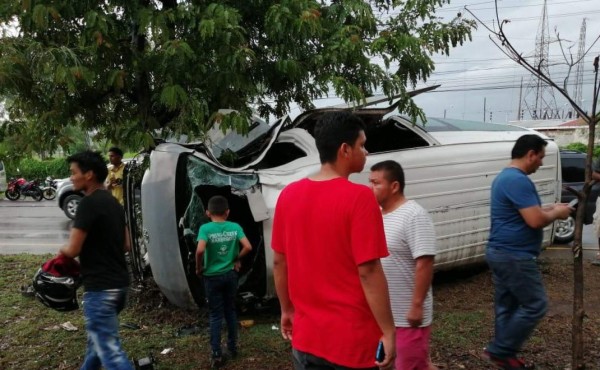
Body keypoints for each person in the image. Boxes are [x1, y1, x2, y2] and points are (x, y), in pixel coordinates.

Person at [271, 111, 396, 370]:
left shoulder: (288, 196)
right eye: (361, 145)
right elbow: (369, 271)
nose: (366, 152)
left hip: (305, 341)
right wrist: (388, 330)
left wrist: (286, 310)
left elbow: (279, 262)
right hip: (352, 345)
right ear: (345, 150)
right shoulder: (359, 198)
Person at [484, 134, 573, 369]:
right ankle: (501, 350)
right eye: (540, 157)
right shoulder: (517, 180)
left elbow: (525, 211)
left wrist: (551, 207)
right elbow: (534, 220)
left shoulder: (505, 177)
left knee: (507, 306)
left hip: (501, 252)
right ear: (530, 154)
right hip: (514, 255)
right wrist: (558, 214)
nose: (541, 163)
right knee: (536, 304)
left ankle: (504, 356)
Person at [59, 150, 133, 370]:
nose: (71, 177)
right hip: (120, 286)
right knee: (95, 351)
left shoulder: (87, 204)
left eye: (74, 172)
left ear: (89, 174)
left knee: (111, 354)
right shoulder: (114, 204)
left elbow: (72, 250)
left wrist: (60, 251)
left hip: (100, 290)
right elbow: (126, 245)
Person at [369, 160, 437, 370]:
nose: (370, 188)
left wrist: (416, 306)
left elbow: (424, 262)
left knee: (411, 365)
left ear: (394, 186)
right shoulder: (377, 216)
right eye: (369, 183)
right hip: (384, 316)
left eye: (376, 183)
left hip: (406, 316)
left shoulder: (414, 215)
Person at [195, 195, 252, 368]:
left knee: (215, 315)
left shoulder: (205, 228)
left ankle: (217, 355)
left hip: (212, 277)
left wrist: (198, 269)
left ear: (207, 212)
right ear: (227, 212)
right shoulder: (234, 227)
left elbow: (199, 251)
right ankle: (233, 348)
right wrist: (235, 258)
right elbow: (248, 247)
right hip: (230, 276)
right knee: (230, 311)